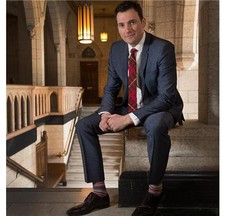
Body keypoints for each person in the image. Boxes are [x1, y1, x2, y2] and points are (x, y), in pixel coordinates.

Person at [66, 1, 184, 216]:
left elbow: (166, 96)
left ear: (143, 22)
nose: (127, 29)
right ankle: (100, 193)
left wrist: (129, 118)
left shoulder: (162, 48)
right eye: (121, 25)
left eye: (132, 22)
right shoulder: (117, 49)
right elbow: (111, 88)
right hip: (129, 105)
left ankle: (155, 191)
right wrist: (105, 113)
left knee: (156, 125)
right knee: (84, 126)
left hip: (161, 107)